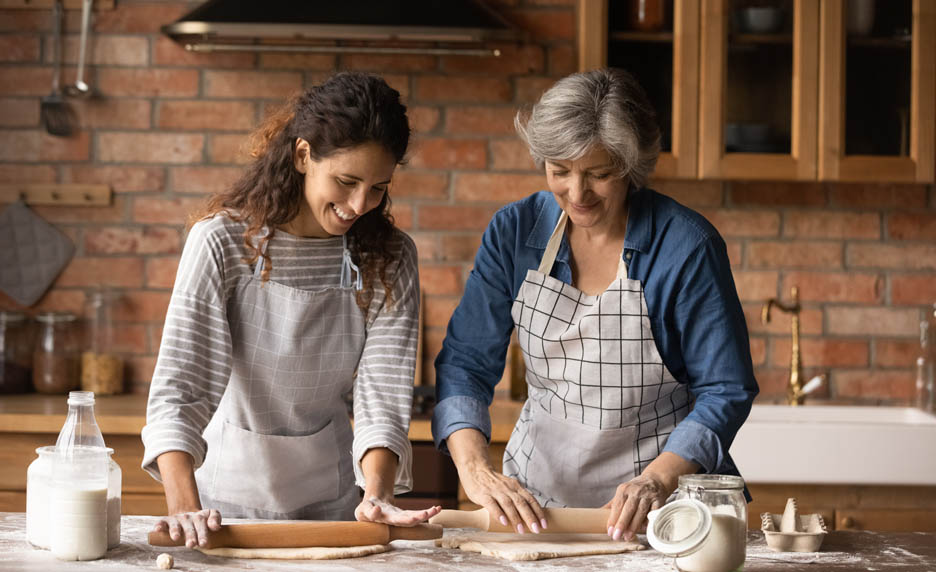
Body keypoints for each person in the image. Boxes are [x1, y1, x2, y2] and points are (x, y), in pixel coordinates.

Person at [431, 68, 758, 542]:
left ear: (631, 167)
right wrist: (475, 470)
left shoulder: (687, 247)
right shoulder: (515, 233)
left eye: (599, 174)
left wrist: (656, 480)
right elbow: (465, 364)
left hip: (661, 512)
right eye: (560, 170)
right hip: (536, 509)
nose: (577, 193)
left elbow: (726, 389)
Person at [141, 71, 440, 548]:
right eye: (345, 181)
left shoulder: (389, 256)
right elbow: (180, 390)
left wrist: (378, 493)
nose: (360, 205)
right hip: (221, 513)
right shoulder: (222, 243)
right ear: (304, 156)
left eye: (378, 187)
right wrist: (184, 510)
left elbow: (382, 390)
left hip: (334, 510)